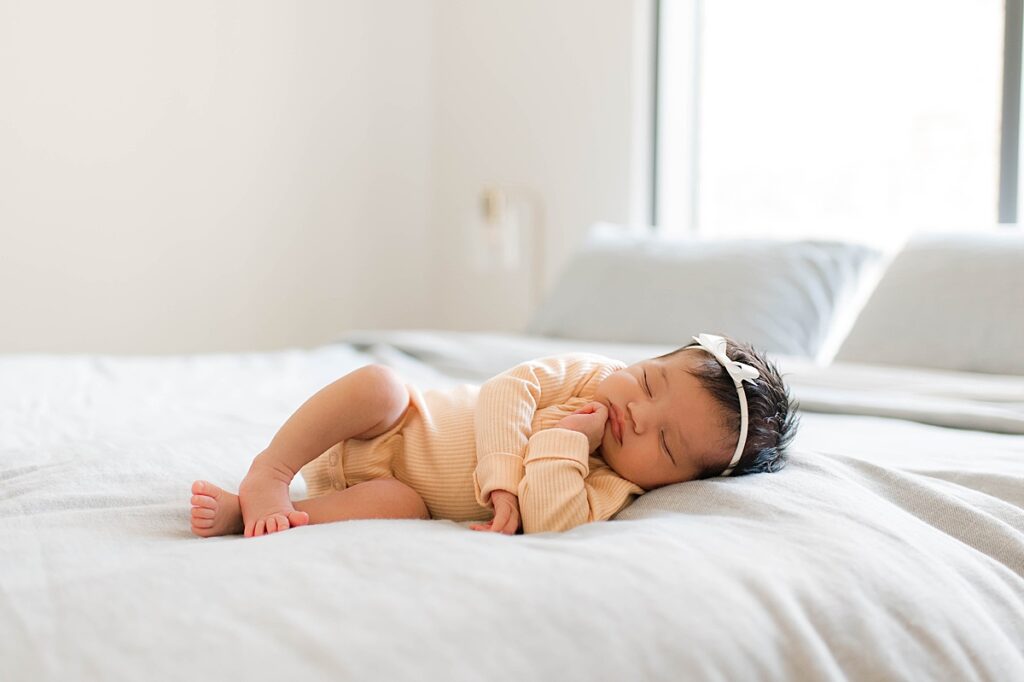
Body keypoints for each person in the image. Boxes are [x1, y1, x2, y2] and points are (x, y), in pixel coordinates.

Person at [189, 333, 798, 537]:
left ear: (681, 480)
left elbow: (554, 517)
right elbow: (508, 389)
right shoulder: (590, 375)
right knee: (381, 382)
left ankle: (273, 515)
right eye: (646, 380)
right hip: (392, 423)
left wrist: (570, 444)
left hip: (394, 488)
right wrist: (503, 477)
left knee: (402, 507)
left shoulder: (613, 486)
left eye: (665, 443)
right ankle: (271, 471)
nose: (637, 412)